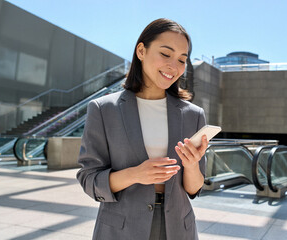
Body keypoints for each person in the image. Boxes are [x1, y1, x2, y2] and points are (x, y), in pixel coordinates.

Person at [76, 18, 208, 240]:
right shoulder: (103, 109)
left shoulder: (193, 115)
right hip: (121, 228)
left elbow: (194, 189)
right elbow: (89, 179)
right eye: (165, 54)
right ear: (141, 51)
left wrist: (192, 165)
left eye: (182, 60)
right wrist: (135, 174)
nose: (173, 67)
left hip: (177, 227)